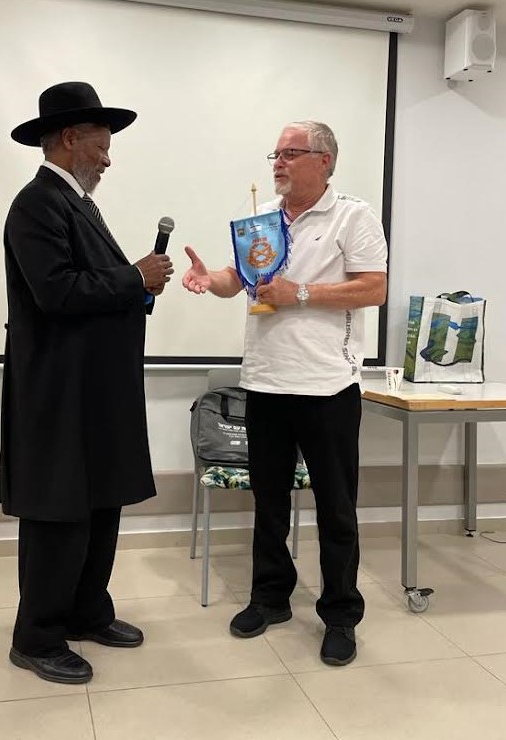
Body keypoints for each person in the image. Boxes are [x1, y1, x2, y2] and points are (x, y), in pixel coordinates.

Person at [182, 121, 387, 666]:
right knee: (269, 502)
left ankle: (340, 614)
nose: (278, 162)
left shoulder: (353, 216)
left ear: (324, 160)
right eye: (275, 153)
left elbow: (375, 287)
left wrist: (301, 293)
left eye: (290, 153)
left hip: (327, 385)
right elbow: (238, 279)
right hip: (266, 381)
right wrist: (210, 280)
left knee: (336, 509)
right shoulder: (264, 218)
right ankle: (269, 598)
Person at [0, 81, 173, 684]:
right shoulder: (36, 203)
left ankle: (86, 611)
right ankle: (37, 636)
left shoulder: (79, 205)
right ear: (70, 138)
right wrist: (134, 278)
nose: (107, 159)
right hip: (58, 393)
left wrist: (138, 287)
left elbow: (96, 288)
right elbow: (56, 291)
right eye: (101, 146)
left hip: (95, 392)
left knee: (100, 504)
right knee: (59, 513)